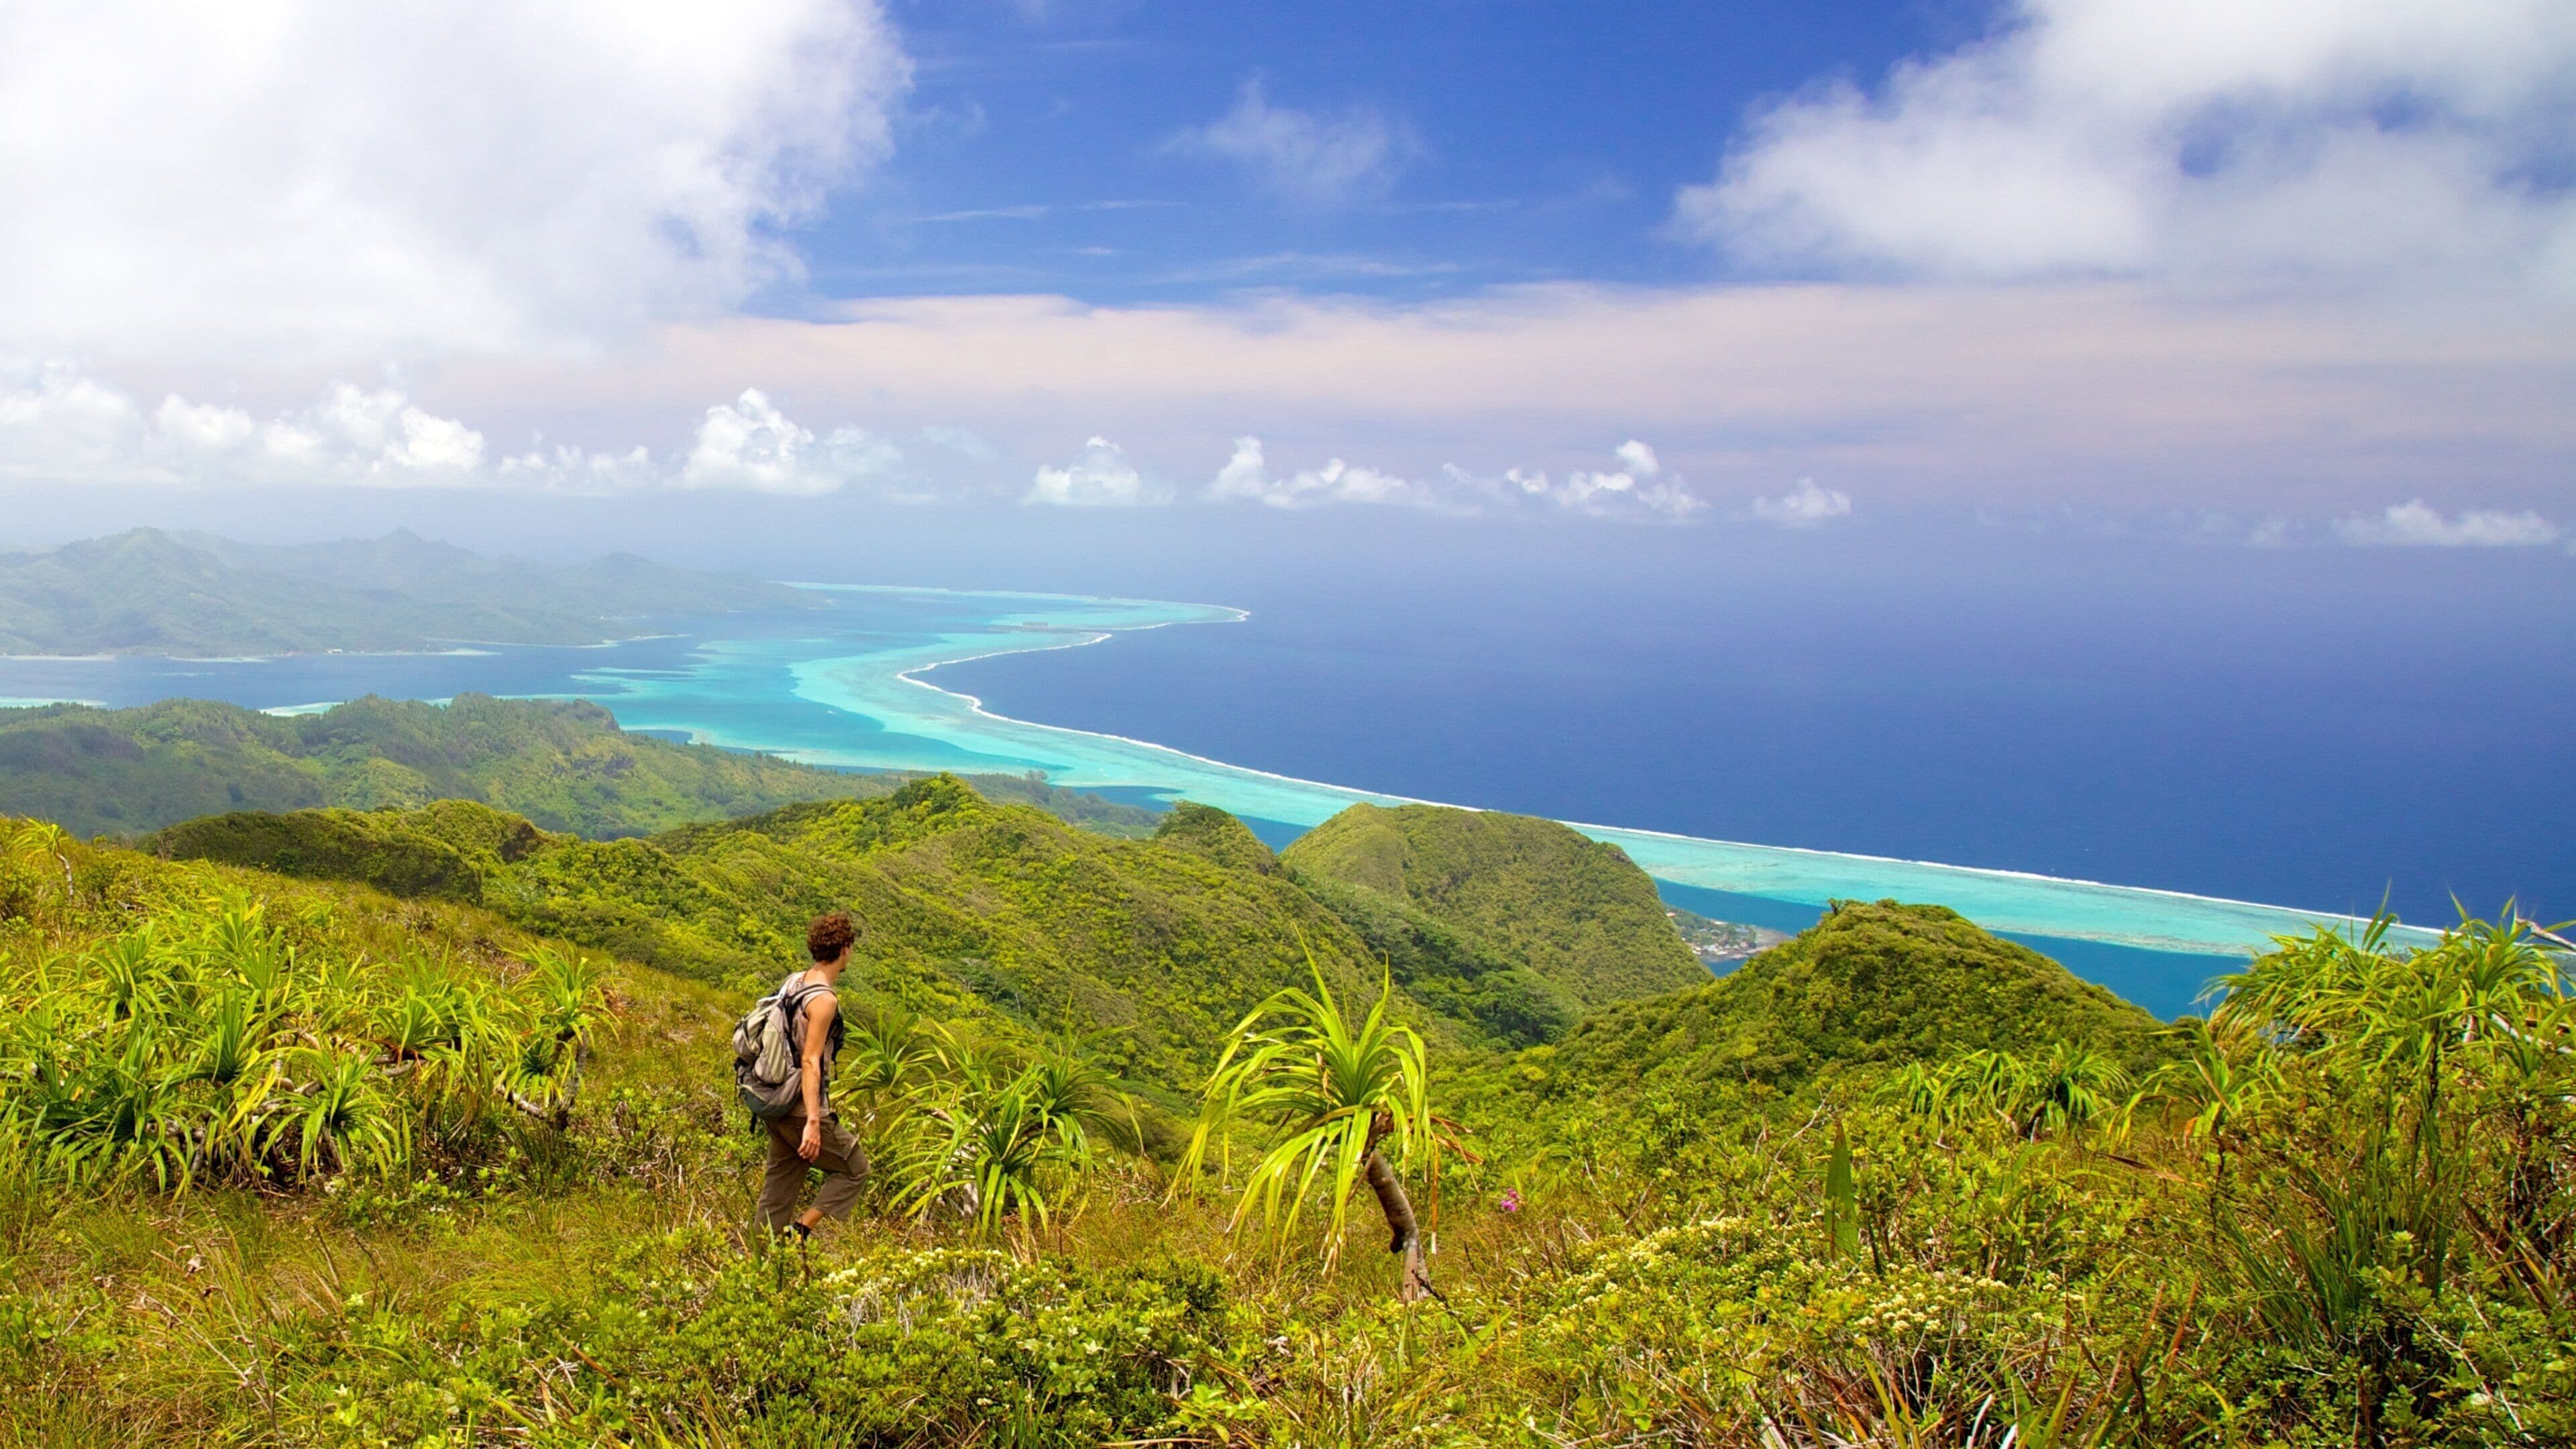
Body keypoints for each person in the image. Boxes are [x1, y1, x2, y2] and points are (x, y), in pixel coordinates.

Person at [756, 911, 868, 1242]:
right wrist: (814, 1122)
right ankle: (801, 1230)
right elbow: (810, 1060)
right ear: (845, 949)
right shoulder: (824, 1000)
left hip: (775, 1100)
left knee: (776, 1194)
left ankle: (760, 1260)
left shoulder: (795, 981)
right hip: (800, 1110)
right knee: (856, 1169)